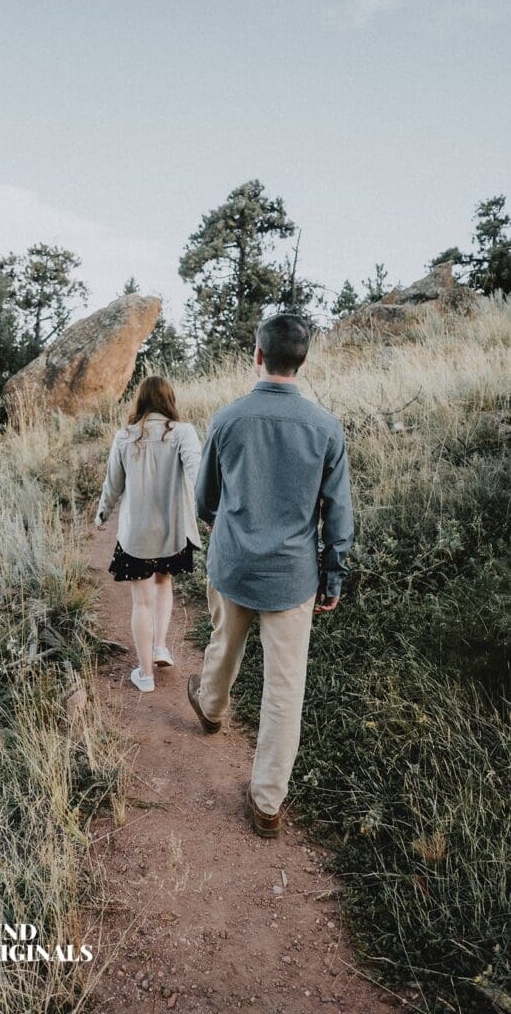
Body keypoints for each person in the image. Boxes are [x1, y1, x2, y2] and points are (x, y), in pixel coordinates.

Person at [187, 313, 354, 838]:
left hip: (234, 563)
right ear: (302, 361)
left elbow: (204, 501)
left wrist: (232, 525)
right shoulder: (326, 428)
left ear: (258, 355)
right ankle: (267, 803)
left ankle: (211, 708)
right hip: (293, 576)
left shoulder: (228, 419)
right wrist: (332, 577)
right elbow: (338, 514)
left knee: (224, 643)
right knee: (285, 688)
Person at [95, 375, 203, 693]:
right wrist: (211, 510)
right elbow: (198, 472)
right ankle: (159, 647)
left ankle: (145, 674)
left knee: (141, 602)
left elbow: (112, 484)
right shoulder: (183, 432)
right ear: (170, 400)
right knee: (164, 583)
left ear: (140, 400)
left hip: (137, 535)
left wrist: (102, 515)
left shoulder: (125, 436)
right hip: (173, 531)